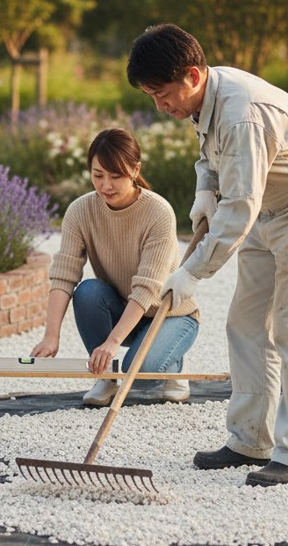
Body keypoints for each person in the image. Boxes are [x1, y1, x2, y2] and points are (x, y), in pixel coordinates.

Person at [127, 23, 288, 487]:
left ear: (192, 74)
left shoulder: (240, 113)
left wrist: (190, 272)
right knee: (247, 325)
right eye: (151, 96)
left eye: (163, 93)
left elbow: (240, 208)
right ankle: (250, 439)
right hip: (269, 209)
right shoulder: (207, 96)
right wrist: (203, 191)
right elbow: (211, 159)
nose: (161, 106)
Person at [30, 127, 200, 406]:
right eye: (98, 175)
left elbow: (146, 290)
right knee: (87, 292)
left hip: (168, 315)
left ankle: (173, 366)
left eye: (116, 176)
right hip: (121, 308)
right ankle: (105, 378)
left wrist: (111, 343)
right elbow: (63, 276)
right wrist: (51, 335)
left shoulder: (158, 212)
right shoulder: (80, 211)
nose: (106, 185)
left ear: (135, 170)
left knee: (143, 373)